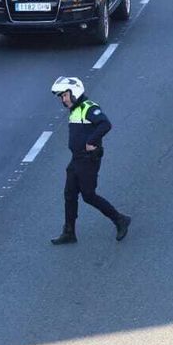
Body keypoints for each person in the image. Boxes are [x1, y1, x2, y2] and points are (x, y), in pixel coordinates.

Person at [49, 76, 130, 245]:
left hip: (88, 161)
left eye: (64, 95)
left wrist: (91, 142)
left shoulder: (88, 108)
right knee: (69, 195)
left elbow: (105, 124)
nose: (63, 99)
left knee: (89, 195)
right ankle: (69, 232)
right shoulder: (74, 110)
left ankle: (120, 219)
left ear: (74, 92)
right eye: (61, 97)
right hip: (76, 160)